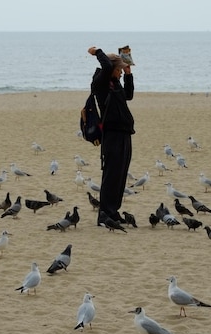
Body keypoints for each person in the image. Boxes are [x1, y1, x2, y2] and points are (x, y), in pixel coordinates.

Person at [88, 46, 135, 227]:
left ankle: (113, 211)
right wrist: (97, 51)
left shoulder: (115, 84)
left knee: (121, 174)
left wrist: (129, 73)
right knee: (111, 175)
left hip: (125, 134)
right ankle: (104, 214)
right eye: (120, 70)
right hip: (112, 135)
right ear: (112, 69)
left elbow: (128, 96)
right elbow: (107, 66)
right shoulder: (100, 83)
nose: (121, 73)